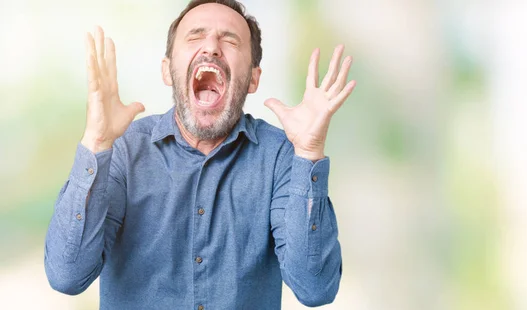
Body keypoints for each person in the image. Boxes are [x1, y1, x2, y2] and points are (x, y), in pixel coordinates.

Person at [44, 0, 355, 309]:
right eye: (195, 36)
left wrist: (309, 153)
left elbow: (315, 289)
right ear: (168, 70)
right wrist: (96, 142)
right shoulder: (123, 150)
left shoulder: (280, 157)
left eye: (230, 39)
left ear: (253, 78)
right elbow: (67, 276)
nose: (212, 47)